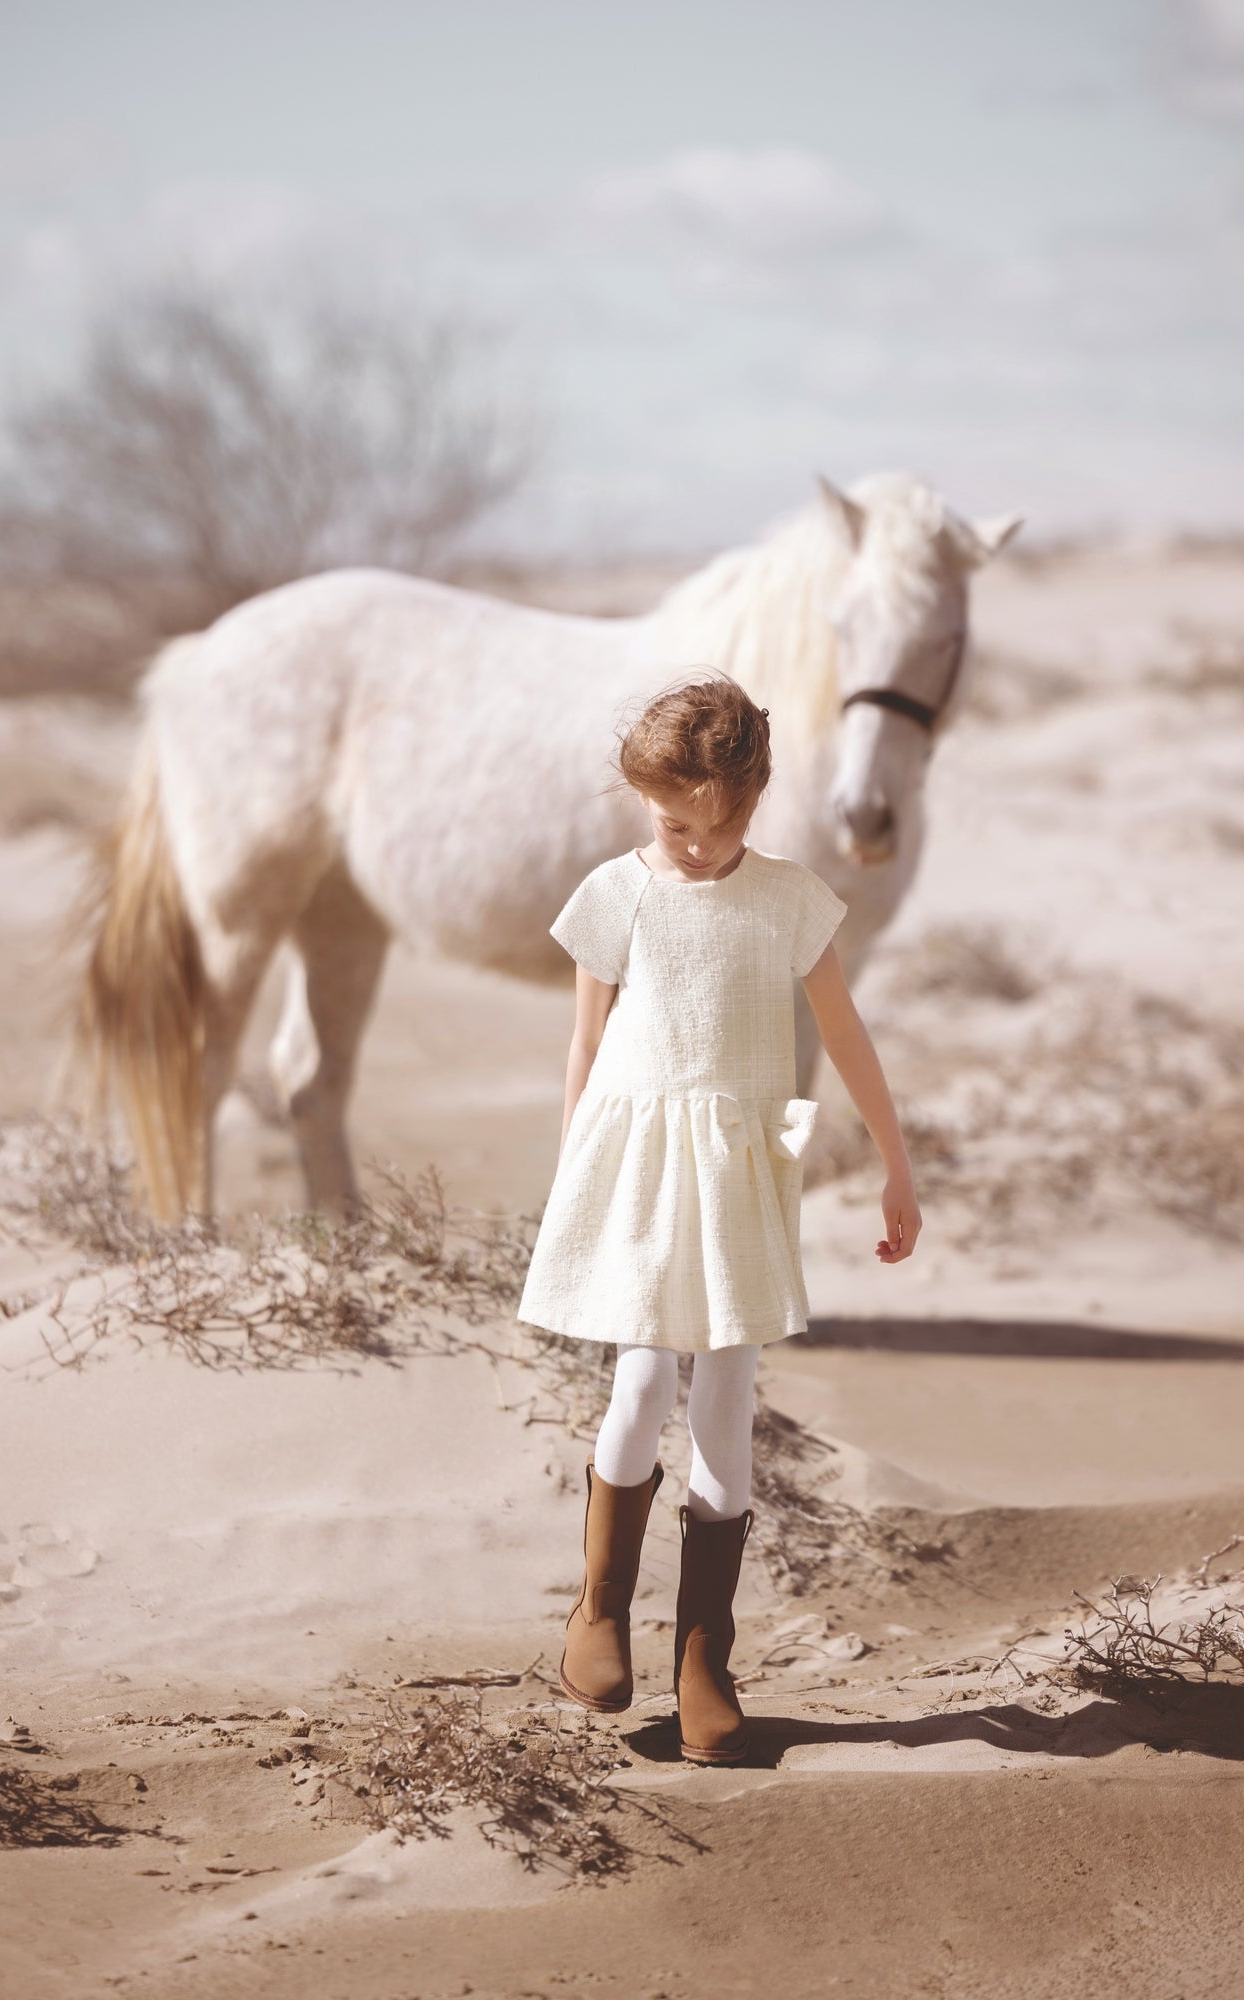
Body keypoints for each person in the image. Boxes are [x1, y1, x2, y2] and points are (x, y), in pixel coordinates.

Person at [516, 673, 921, 1764]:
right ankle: (599, 1607)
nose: (696, 847)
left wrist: (895, 1163)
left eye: (718, 825)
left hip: (741, 1165)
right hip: (640, 1164)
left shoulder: (789, 897)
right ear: (644, 801)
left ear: (754, 799)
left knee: (726, 1404)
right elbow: (585, 1042)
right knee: (644, 1380)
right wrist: (572, 1174)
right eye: (673, 825)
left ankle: (705, 1655)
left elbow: (844, 1033)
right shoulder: (616, 893)